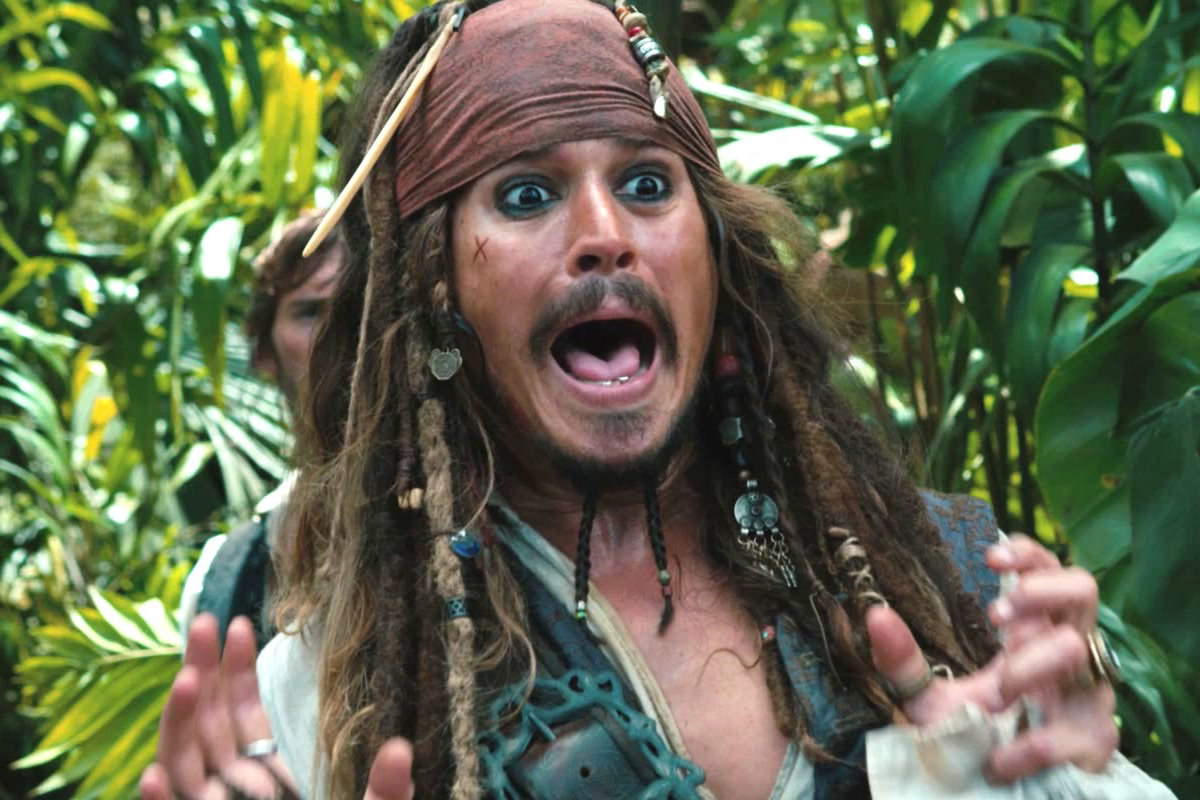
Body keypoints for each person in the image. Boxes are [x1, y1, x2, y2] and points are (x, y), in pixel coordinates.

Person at [141, 2, 1176, 799]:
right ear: (436, 289)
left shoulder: (935, 581)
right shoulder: (337, 680)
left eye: (646, 184)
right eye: (527, 195)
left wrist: (1049, 775)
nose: (605, 235)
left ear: (715, 259)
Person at [177, 212, 346, 651]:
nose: (343, 334)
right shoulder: (223, 583)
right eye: (312, 311)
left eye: (362, 305)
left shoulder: (493, 520)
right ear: (263, 352)